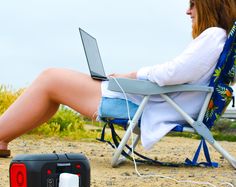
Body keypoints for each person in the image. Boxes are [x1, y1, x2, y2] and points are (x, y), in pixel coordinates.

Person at [0, 0, 236, 157]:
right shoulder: (217, 39)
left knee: (49, 78)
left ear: (210, 4)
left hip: (144, 105)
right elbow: (179, 75)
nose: (188, 11)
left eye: (193, 4)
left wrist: (129, 75)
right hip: (150, 101)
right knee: (51, 88)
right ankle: (2, 139)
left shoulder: (213, 36)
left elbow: (171, 73)